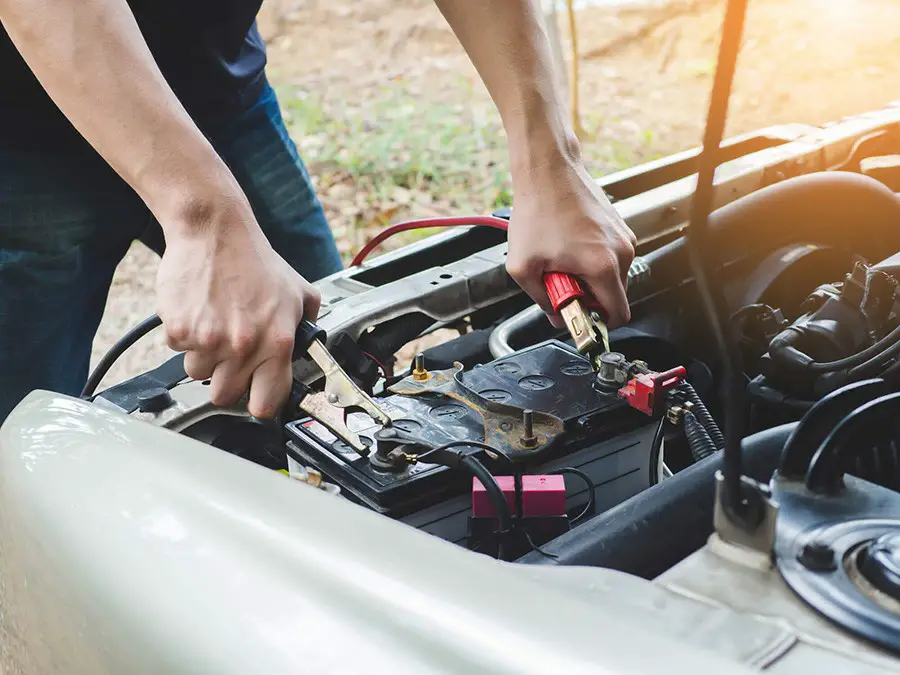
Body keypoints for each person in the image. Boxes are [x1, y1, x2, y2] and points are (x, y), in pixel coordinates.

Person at [0, 0, 636, 423]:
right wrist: (204, 214)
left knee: (331, 353)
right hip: (23, 135)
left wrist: (551, 160)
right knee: (22, 434)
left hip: (219, 88)